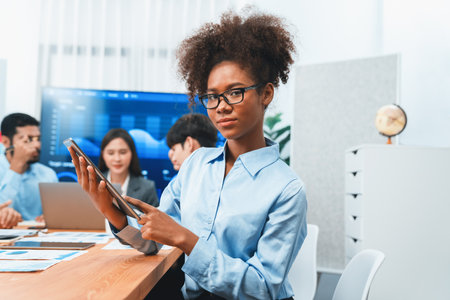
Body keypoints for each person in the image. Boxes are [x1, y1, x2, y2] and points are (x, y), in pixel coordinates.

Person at [69, 9, 307, 300]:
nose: (221, 106)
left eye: (235, 92)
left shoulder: (287, 189)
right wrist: (110, 211)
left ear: (266, 94)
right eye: (211, 96)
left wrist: (185, 239)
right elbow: (153, 243)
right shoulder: (197, 164)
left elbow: (262, 287)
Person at [0, 113, 58, 221]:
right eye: (29, 139)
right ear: (6, 141)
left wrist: (51, 217)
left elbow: (56, 213)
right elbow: (2, 211)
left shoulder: (48, 174)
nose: (36, 145)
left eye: (38, 139)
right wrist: (16, 166)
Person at [98, 128, 158, 207]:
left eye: (123, 152)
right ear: (103, 155)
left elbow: (155, 218)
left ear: (132, 153)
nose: (117, 159)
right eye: (111, 153)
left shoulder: (147, 188)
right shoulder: (93, 184)